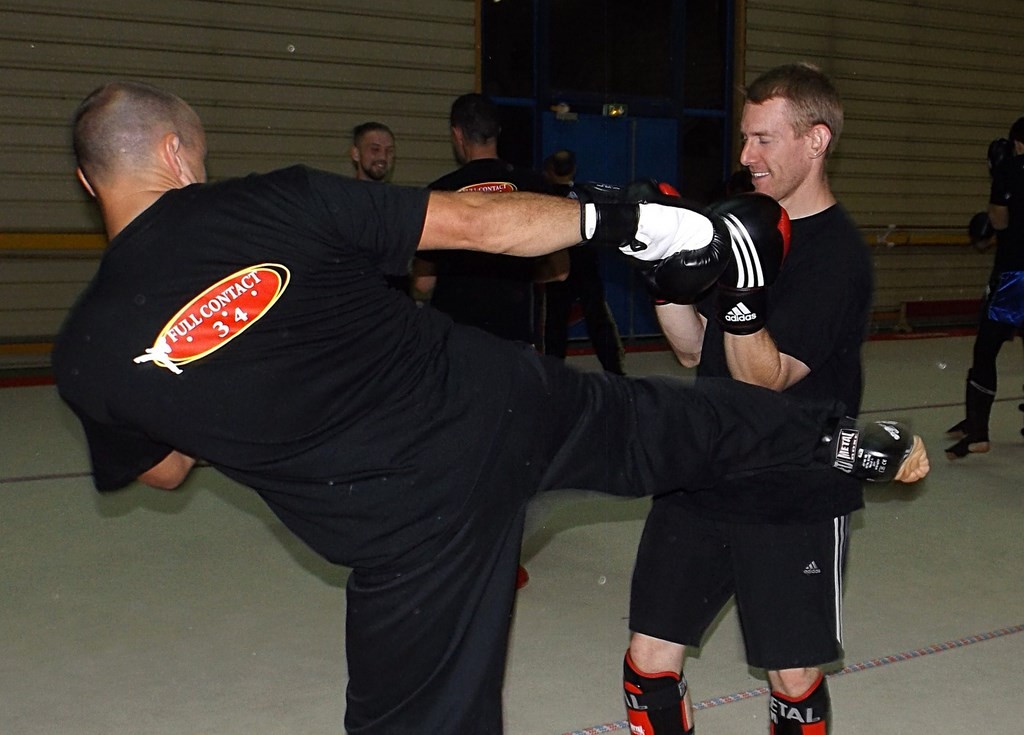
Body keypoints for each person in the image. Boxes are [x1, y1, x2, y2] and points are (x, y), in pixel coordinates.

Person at [54, 81, 928, 735]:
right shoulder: (269, 200)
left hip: (399, 526)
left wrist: (217, 398)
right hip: (494, 403)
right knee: (655, 423)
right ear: (176, 153)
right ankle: (837, 440)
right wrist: (625, 223)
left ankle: (825, 439)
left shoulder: (88, 354)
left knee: (414, 715)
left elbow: (164, 469)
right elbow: (476, 226)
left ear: (94, 185)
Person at [624, 63, 883, 735]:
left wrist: (743, 292)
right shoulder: (743, 224)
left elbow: (765, 377)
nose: (746, 155)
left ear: (816, 141)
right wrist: (663, 276)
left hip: (790, 486)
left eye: (764, 139)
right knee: (648, 664)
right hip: (703, 467)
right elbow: (693, 349)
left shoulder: (837, 258)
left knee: (791, 679)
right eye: (745, 137)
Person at [410, 93, 568, 346]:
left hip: (456, 343)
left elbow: (422, 283)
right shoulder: (534, 187)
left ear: (457, 135)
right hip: (513, 340)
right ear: (498, 131)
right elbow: (560, 271)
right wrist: (518, 276)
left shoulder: (439, 194)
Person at [945, 117, 1024, 458]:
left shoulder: (1011, 169)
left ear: (1017, 143)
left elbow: (999, 221)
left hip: (1015, 276)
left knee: (986, 348)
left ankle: (978, 431)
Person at [542, 149, 626, 374]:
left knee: (555, 323)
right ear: (574, 169)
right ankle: (614, 372)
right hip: (587, 267)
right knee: (598, 320)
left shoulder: (545, 199)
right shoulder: (587, 195)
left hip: (557, 269)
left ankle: (554, 373)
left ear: (549, 170)